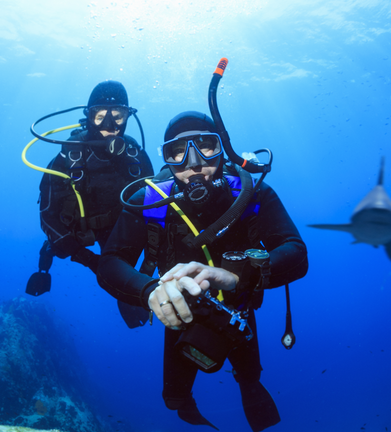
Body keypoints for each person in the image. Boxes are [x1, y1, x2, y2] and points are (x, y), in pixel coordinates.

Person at [97, 111, 308, 431]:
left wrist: (240, 276)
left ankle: (250, 390)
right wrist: (149, 290)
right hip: (180, 310)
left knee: (250, 378)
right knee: (174, 399)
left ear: (223, 148)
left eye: (207, 146)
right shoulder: (151, 200)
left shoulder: (253, 193)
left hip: (239, 305)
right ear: (167, 158)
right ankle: (187, 405)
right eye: (177, 151)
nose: (194, 162)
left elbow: (296, 252)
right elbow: (110, 261)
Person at [26, 81, 154, 325]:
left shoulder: (135, 157)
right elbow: (47, 215)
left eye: (118, 116)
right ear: (88, 116)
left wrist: (148, 266)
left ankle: (134, 291)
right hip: (78, 230)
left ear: (128, 117)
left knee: (117, 271)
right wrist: (86, 258)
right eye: (99, 116)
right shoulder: (68, 157)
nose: (109, 125)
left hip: (118, 229)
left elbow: (154, 207)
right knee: (61, 247)